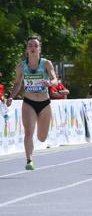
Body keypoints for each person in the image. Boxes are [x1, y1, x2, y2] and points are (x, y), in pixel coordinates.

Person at [6, 36, 58, 170]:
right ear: (27, 49)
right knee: (28, 132)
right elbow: (17, 84)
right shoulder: (21, 66)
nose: (33, 48)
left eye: (35, 45)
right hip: (28, 102)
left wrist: (49, 83)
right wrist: (11, 96)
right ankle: (29, 160)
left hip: (44, 103)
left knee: (42, 137)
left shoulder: (46, 63)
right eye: (30, 45)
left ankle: (37, 143)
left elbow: (55, 80)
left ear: (39, 48)